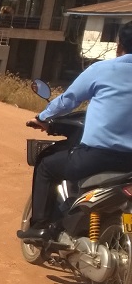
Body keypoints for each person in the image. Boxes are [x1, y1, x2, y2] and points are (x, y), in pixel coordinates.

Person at [19, 22, 132, 242]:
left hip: (98, 156)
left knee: (46, 165)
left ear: (119, 45)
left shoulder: (103, 70)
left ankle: (40, 227)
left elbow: (68, 100)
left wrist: (42, 118)